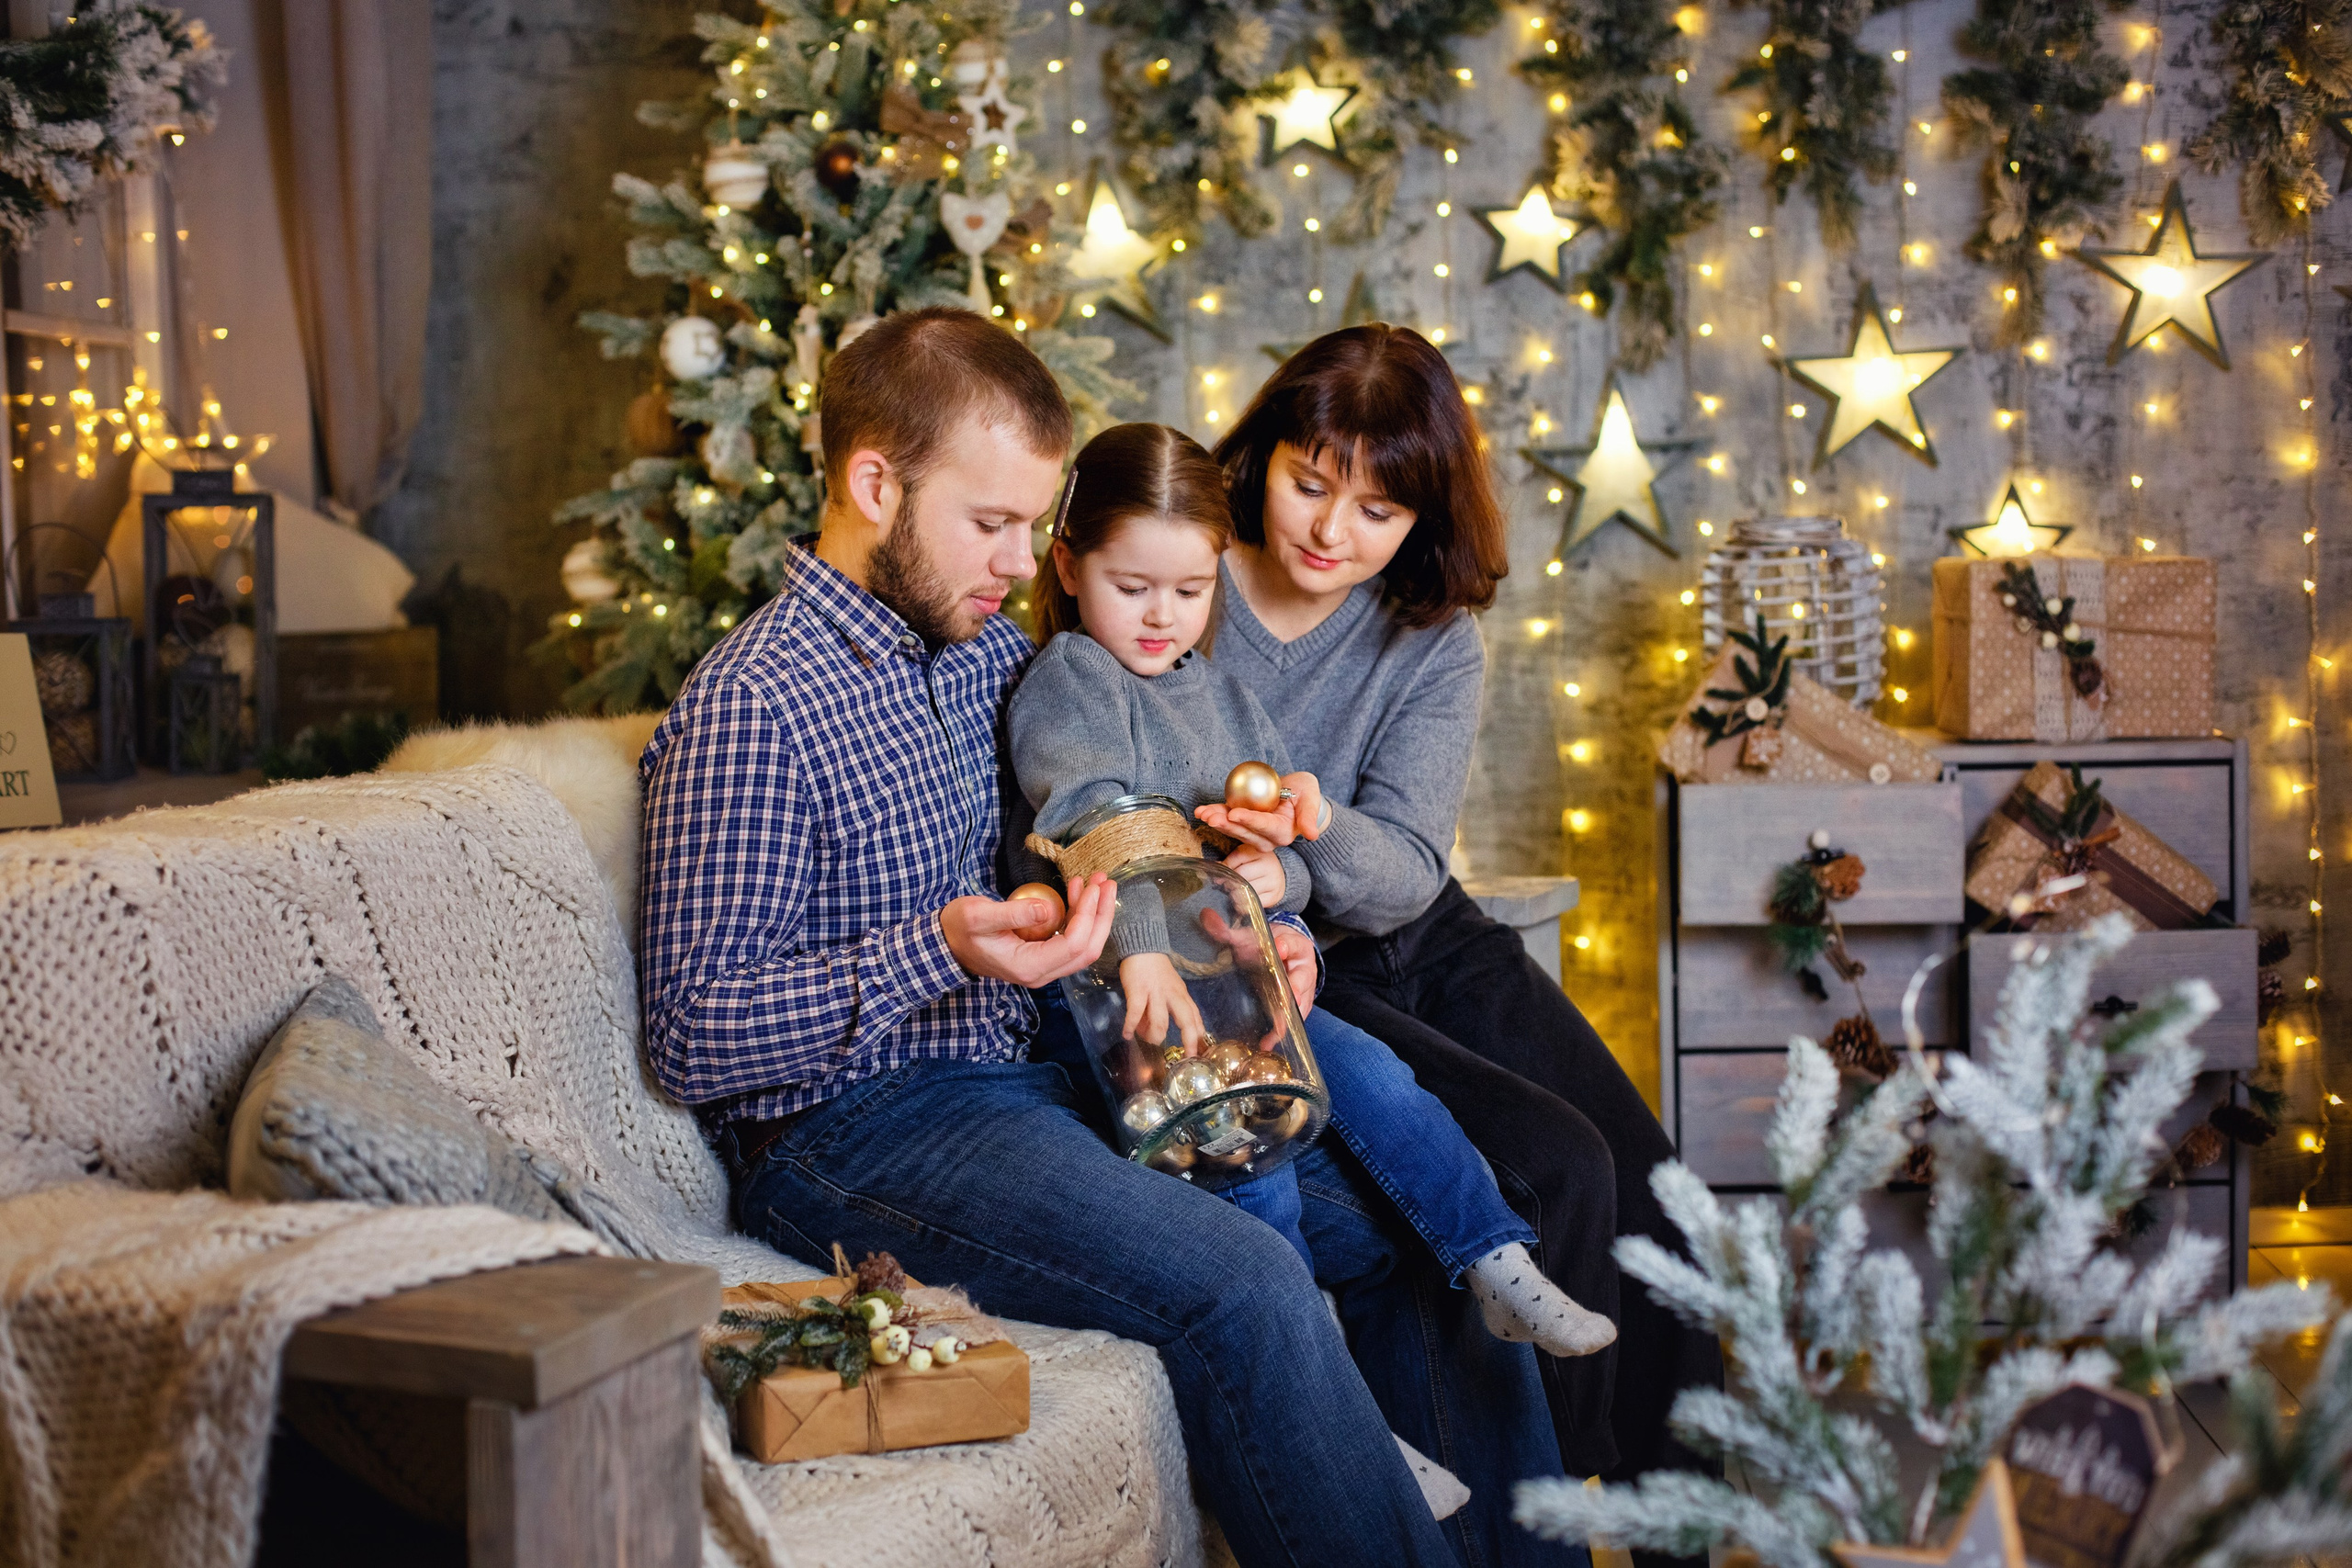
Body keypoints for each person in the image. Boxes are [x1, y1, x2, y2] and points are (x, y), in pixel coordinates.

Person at [635, 306, 1577, 1567]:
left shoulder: (977, 656)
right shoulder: (754, 705)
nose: (1021, 559)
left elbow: (1114, 835)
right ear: (873, 482)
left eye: (1033, 527)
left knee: (1416, 1226)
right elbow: (691, 1032)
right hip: (855, 1133)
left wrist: (1239, 933)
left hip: (1041, 1072)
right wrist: (940, 949)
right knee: (1244, 1280)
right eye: (992, 524)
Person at [1202, 323, 1724, 1549]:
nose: (1332, 532)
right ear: (1262, 455)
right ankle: (1561, 1504)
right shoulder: (1180, 583)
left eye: (1377, 510)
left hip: (1422, 931)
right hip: (1295, 965)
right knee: (1558, 1167)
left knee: (1657, 1197)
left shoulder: (1433, 634)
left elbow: (1402, 874)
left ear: (1420, 520)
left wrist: (1314, 823)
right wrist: (1294, 862)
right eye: (1309, 483)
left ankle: (1681, 1521)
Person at [1006, 419, 1616, 1364]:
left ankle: (1495, 1260)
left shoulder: (1215, 687)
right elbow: (1093, 817)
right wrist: (1146, 946)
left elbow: (1263, 829)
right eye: (1132, 588)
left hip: (1237, 968)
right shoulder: (1074, 676)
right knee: (1254, 1165)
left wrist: (1285, 912)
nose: (1161, 615)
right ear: (1069, 565)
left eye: (1191, 588)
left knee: (1379, 1077)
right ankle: (1319, 1386)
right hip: (1137, 987)